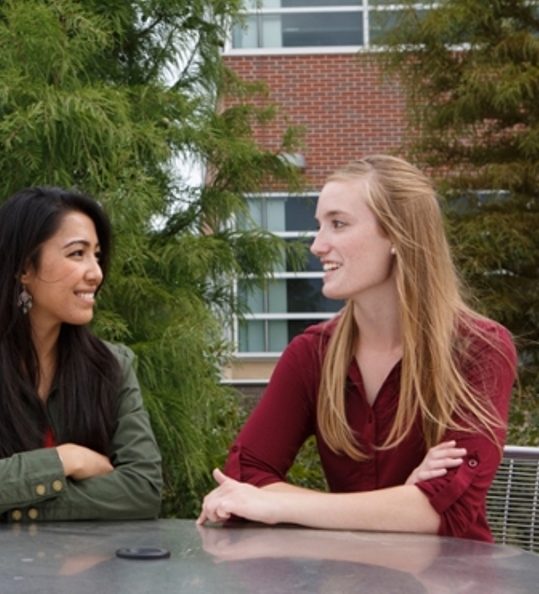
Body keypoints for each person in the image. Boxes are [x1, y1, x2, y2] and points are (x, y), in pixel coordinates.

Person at [199, 155, 517, 541]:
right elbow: (243, 479)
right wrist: (402, 502)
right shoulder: (311, 355)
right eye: (319, 226)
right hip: (349, 576)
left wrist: (278, 503)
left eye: (338, 224)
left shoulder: (479, 349)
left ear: (399, 236)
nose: (317, 245)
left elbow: (446, 511)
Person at [0, 186, 163, 522]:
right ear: (23, 269)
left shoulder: (113, 365)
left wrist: (1, 492)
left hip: (92, 569)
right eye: (77, 254)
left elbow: (144, 490)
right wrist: (69, 460)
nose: (96, 273)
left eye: (97, 255)